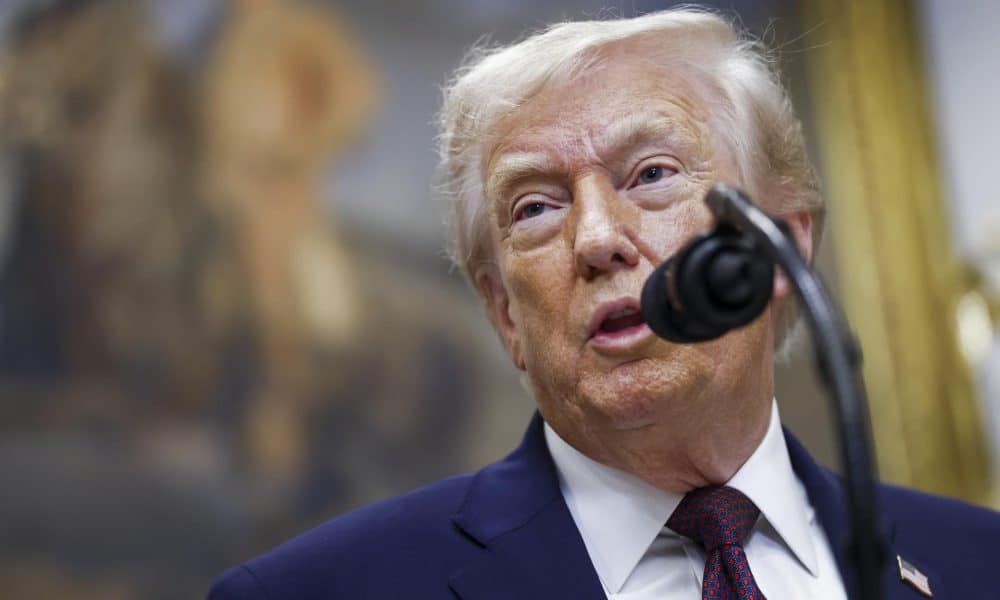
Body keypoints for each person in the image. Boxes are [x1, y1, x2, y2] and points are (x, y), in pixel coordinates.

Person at [209, 8, 1000, 599]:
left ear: (781, 247)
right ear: (504, 314)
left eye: (652, 174)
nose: (595, 238)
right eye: (535, 208)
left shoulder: (978, 564)